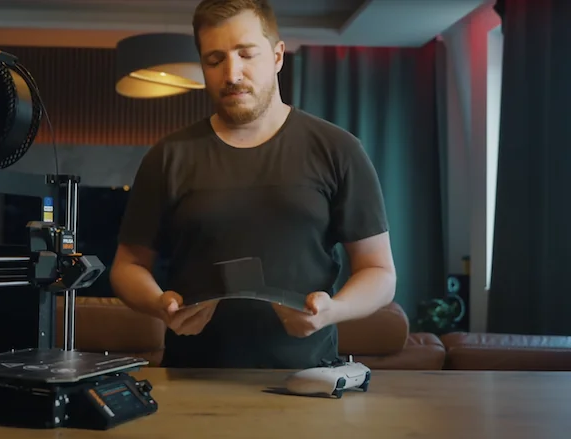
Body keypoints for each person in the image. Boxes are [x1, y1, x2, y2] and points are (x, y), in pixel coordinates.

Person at [109, 0, 396, 369]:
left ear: (277, 56)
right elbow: (127, 265)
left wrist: (332, 310)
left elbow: (379, 272)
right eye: (215, 60)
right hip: (192, 379)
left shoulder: (339, 150)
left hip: (307, 381)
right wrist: (160, 304)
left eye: (246, 54)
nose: (232, 73)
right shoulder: (169, 156)